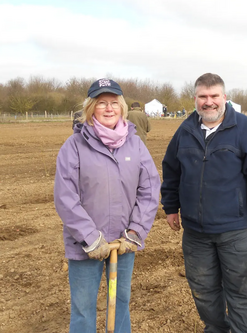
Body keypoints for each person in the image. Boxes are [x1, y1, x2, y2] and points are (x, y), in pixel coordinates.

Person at [161, 73, 247, 333]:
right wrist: (170, 207)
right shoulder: (185, 130)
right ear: (195, 99)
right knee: (204, 292)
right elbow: (171, 170)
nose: (209, 102)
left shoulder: (244, 128)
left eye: (214, 96)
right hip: (196, 234)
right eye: (203, 96)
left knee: (243, 295)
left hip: (236, 231)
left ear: (224, 98)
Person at [54, 78, 161, 333]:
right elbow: (65, 197)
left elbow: (149, 190)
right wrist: (90, 239)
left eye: (114, 102)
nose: (109, 108)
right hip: (85, 246)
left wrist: (135, 232)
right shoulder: (74, 146)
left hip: (123, 246)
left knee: (120, 302)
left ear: (122, 107)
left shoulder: (135, 145)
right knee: (83, 308)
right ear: (91, 108)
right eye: (102, 103)